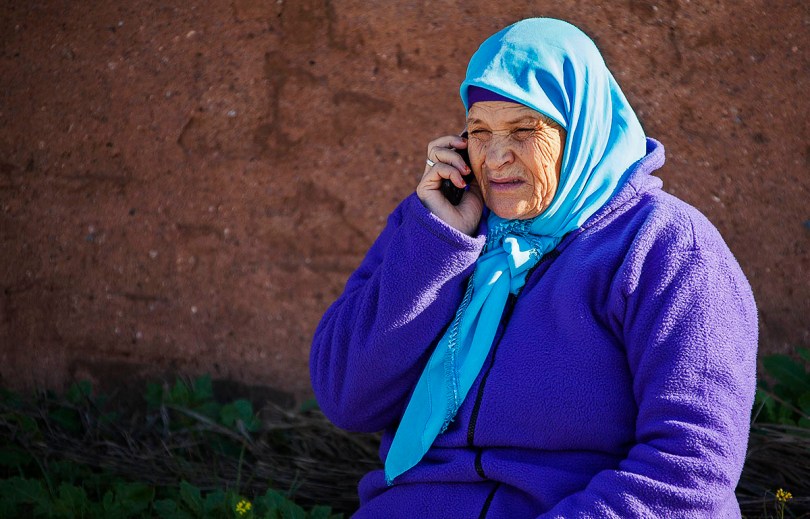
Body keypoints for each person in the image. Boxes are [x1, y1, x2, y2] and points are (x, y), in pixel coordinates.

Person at [310, 18, 757, 518]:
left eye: (525, 130)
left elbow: (690, 470)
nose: (497, 157)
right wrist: (438, 244)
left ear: (581, 127)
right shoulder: (444, 226)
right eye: (479, 131)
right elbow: (346, 398)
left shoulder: (665, 246)